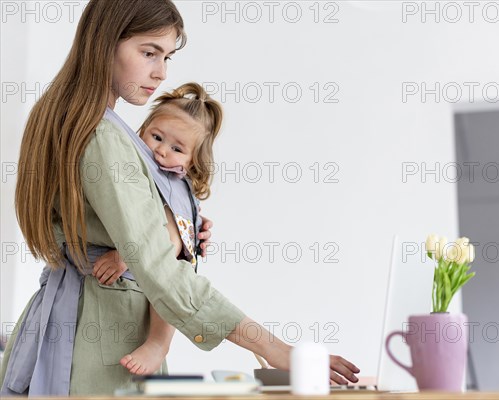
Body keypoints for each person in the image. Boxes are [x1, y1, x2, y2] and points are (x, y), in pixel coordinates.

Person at [0, 0, 359, 396]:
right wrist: (276, 349)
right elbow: (159, 269)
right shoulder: (102, 136)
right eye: (149, 52)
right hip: (101, 338)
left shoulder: (60, 115)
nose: (161, 72)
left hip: (62, 324)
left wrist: (175, 230)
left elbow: (125, 232)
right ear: (103, 42)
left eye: (167, 57)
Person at [92, 82, 225, 375]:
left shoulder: (174, 184)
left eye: (177, 148)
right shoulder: (140, 166)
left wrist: (123, 257)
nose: (162, 151)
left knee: (166, 295)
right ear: (143, 130)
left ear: (192, 162)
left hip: (168, 265)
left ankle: (158, 343)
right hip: (148, 267)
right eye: (156, 137)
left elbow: (170, 240)